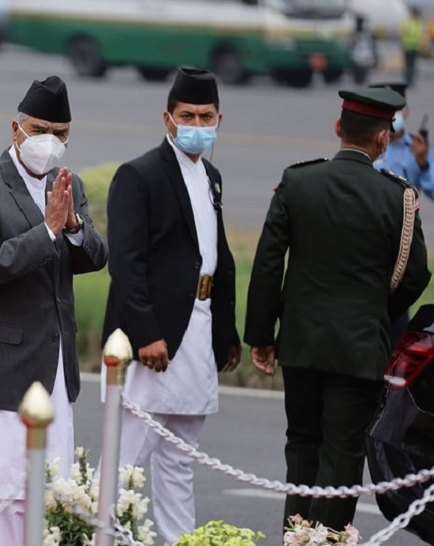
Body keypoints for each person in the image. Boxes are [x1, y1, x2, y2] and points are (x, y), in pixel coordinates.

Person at [244, 87, 430, 531]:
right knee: (342, 453)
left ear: (337, 129)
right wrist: (376, 310)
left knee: (302, 445)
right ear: (384, 139)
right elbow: (416, 274)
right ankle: (327, 542)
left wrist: (262, 336)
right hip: (360, 346)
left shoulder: (298, 181)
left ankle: (297, 536)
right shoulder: (397, 196)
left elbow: (269, 263)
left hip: (302, 342)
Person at [0, 75, 108, 545]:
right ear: (15, 129)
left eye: (60, 133)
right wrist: (47, 232)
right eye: (39, 129)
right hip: (2, 364)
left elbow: (95, 257)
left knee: (51, 490)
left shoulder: (67, 185)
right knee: (9, 493)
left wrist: (73, 227)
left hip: (53, 360)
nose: (48, 142)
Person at [100, 67, 241, 545]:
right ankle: (96, 536)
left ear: (219, 119)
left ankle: (181, 541)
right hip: (154, 337)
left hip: (197, 331)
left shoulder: (211, 177)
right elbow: (127, 263)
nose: (196, 123)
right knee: (126, 460)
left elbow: (215, 259)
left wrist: (226, 331)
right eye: (187, 115)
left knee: (181, 459)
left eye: (205, 116)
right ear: (167, 117)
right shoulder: (139, 176)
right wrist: (145, 334)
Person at [371, 82, 434, 200]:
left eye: (396, 109)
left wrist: (423, 165)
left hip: (405, 216)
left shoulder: (417, 148)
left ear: (406, 111)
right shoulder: (364, 143)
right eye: (385, 109)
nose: (392, 115)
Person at [400, 6, 427, 88]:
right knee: (410, 65)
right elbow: (421, 35)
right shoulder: (417, 23)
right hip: (411, 47)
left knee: (410, 65)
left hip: (410, 47)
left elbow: (402, 33)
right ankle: (409, 80)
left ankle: (408, 80)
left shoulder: (408, 22)